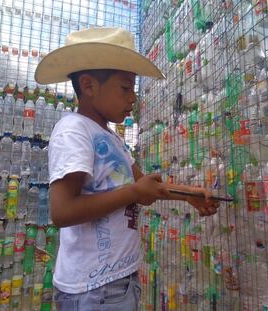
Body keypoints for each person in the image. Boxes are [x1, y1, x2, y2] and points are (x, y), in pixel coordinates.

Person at [35, 27, 219, 310]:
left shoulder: (113, 139)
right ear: (88, 86)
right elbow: (62, 212)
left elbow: (145, 187)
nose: (133, 97)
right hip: (93, 290)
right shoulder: (73, 131)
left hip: (118, 281)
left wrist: (188, 195)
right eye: (125, 88)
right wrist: (133, 192)